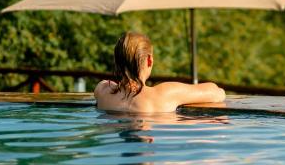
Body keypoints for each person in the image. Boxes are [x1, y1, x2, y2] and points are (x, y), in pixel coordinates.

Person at [95, 32, 226, 113]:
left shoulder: (102, 90)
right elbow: (217, 93)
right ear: (149, 60)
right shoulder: (164, 94)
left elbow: (111, 85)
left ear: (117, 61)